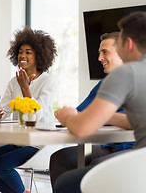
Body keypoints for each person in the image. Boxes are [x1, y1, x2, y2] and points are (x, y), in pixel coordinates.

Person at [53, 11, 146, 193]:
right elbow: (136, 121)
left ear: (127, 44)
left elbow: (81, 129)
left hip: (140, 164)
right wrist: (106, 116)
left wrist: (70, 117)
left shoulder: (126, 72)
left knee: (67, 183)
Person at [0, 26, 57, 193]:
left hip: (39, 143)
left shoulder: (47, 81)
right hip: (19, 141)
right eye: (20, 51)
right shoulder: (14, 81)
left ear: (39, 55)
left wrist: (26, 89)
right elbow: (4, 109)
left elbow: (36, 115)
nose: (23, 55)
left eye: (28, 52)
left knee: (1, 165)